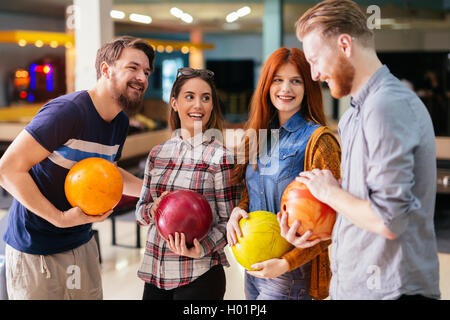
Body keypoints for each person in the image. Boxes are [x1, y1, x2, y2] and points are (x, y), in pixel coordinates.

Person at [292, 0, 441, 300]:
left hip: (392, 292)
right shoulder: (353, 116)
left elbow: (388, 220)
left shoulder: (387, 106)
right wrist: (310, 226)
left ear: (344, 45)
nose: (314, 74)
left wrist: (328, 192)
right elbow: (361, 207)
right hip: (354, 287)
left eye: (316, 59)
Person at [0, 35, 155, 300]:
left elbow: (106, 173)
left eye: (146, 71)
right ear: (106, 70)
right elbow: (7, 170)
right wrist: (59, 219)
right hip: (37, 247)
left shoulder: (119, 122)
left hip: (81, 242)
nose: (142, 77)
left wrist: (150, 191)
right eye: (133, 67)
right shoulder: (68, 112)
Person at [226, 47, 341, 300]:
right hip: (253, 266)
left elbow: (331, 222)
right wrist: (238, 210)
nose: (285, 89)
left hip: (292, 274)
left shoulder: (318, 140)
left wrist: (287, 263)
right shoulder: (259, 135)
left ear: (308, 87)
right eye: (278, 80)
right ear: (267, 85)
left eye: (295, 81)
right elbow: (252, 191)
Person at [135, 67, 240, 300]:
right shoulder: (157, 154)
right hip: (155, 275)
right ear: (174, 103)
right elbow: (140, 211)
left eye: (206, 98)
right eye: (189, 97)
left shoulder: (221, 158)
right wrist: (152, 209)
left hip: (199, 277)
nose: (198, 105)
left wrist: (200, 248)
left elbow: (229, 223)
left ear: (212, 105)